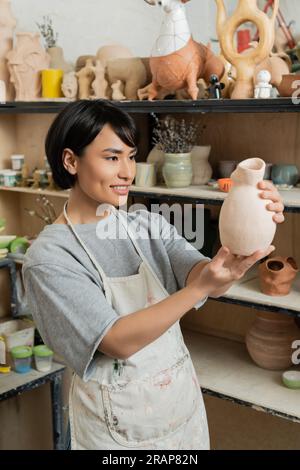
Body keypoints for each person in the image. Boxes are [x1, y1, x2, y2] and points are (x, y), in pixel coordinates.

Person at [23, 100, 284, 450]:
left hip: (179, 419)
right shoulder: (50, 257)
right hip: (114, 437)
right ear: (71, 161)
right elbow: (116, 340)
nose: (128, 172)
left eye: (131, 156)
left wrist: (244, 232)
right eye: (112, 157)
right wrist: (201, 288)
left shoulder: (145, 225)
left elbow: (209, 278)